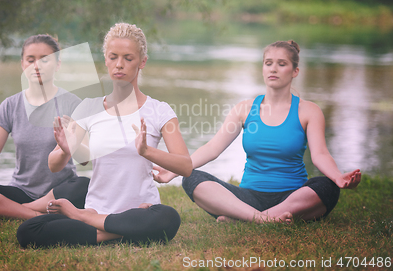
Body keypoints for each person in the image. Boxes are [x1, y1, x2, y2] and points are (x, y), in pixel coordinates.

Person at [16, 23, 193, 247]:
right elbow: (53, 165)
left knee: (168, 217)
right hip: (99, 209)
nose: (119, 64)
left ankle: (87, 220)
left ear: (142, 62)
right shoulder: (89, 108)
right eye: (113, 57)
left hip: (140, 211)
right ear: (106, 60)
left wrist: (147, 151)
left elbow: (185, 166)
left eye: (128, 58)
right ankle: (118, 231)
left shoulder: (160, 111)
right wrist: (67, 150)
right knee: (29, 230)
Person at [154, 40, 361, 223]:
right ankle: (262, 218)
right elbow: (212, 148)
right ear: (262, 68)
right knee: (192, 178)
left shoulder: (309, 111)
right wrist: (174, 170)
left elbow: (320, 155)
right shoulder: (244, 109)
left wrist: (338, 177)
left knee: (327, 186)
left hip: (292, 197)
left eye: (282, 64)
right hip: (248, 197)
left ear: (295, 71)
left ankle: (245, 218)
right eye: (268, 63)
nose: (274, 69)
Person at [0, 34, 89, 220]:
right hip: (21, 191)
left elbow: (85, 160)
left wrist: (73, 145)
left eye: (45, 59)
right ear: (22, 64)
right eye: (30, 59)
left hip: (61, 190)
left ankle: (17, 211)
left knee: (84, 185)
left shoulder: (73, 104)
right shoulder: (10, 105)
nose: (36, 65)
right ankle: (34, 214)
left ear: (57, 64)